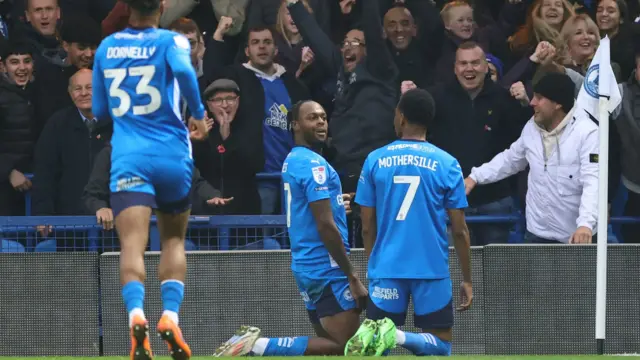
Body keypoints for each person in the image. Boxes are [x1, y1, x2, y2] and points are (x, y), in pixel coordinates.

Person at [91, 0, 209, 359]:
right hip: (172, 154)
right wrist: (200, 116)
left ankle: (136, 316)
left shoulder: (107, 47)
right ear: (161, 6)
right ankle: (170, 317)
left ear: (126, 8)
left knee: (132, 245)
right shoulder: (172, 41)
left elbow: (98, 110)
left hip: (129, 157)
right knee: (173, 238)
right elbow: (186, 75)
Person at [212, 100, 367, 357]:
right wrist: (351, 274)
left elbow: (311, 210)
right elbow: (325, 224)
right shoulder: (314, 165)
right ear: (295, 124)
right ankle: (257, 346)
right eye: (312, 118)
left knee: (329, 344)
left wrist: (338, 205)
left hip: (305, 264)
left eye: (323, 117)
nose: (320, 122)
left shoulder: (293, 160)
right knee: (345, 346)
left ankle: (255, 346)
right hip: (326, 266)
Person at [348, 88, 473, 356]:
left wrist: (373, 265)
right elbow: (460, 230)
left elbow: (367, 224)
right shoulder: (448, 163)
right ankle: (403, 337)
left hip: (387, 268)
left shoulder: (375, 160)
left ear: (401, 117)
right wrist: (467, 278)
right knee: (440, 347)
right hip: (431, 269)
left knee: (374, 348)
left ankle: (395, 334)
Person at [464, 72, 599, 244]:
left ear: (558, 103)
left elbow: (593, 182)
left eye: (539, 98)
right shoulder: (532, 127)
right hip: (536, 235)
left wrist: (585, 224)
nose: (532, 102)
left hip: (576, 238)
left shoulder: (588, 133)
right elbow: (510, 160)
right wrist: (475, 177)